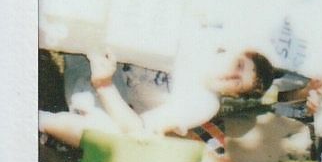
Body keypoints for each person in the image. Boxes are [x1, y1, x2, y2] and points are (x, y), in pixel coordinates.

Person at [41, 46, 274, 143]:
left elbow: (135, 129)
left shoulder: (204, 103)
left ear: (231, 94)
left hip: (95, 93)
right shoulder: (201, 39)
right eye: (240, 66)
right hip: (93, 46)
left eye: (238, 84)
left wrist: (103, 84)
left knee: (111, 135)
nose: (231, 76)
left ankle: (35, 120)